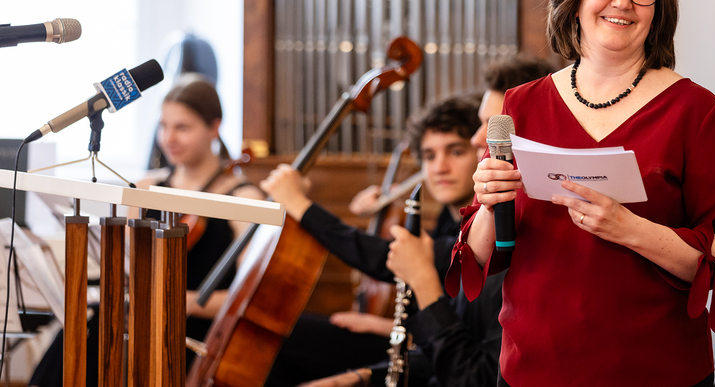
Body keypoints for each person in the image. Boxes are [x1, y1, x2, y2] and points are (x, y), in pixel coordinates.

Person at [447, 0, 715, 386]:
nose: (622, 1)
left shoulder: (694, 110)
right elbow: (482, 255)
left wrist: (631, 230)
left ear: (658, 8)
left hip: (657, 372)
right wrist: (490, 203)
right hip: (532, 371)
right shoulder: (521, 104)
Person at [29, 74, 265, 386]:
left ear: (214, 127)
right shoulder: (146, 188)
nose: (169, 138)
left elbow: (251, 297)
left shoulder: (244, 198)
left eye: (182, 127)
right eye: (164, 126)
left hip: (194, 332)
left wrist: (182, 301)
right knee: (84, 330)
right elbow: (130, 267)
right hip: (142, 316)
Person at [260, 96, 482, 387]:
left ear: (482, 153)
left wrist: (301, 206)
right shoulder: (448, 219)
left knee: (282, 334)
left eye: (456, 151)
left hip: (439, 360)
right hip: (424, 348)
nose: (440, 167)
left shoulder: (482, 230)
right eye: (429, 156)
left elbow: (383, 259)